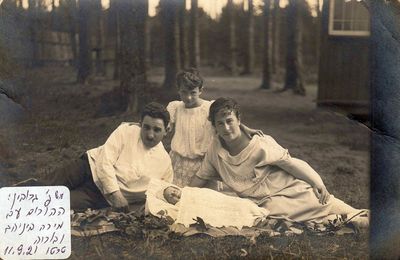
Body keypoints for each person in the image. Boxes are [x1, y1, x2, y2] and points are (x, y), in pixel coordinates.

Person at [189, 97, 368, 224]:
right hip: (261, 202)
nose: (226, 128)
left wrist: (316, 181)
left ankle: (357, 216)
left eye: (230, 121)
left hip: (286, 191)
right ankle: (349, 220)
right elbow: (201, 176)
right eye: (220, 123)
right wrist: (184, 195)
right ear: (214, 126)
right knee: (260, 213)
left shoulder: (260, 144)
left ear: (239, 120)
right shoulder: (215, 149)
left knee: (323, 204)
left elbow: (292, 163)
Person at [15, 102, 173, 212]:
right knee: (45, 185)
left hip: (98, 196)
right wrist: (115, 193)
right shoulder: (126, 131)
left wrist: (167, 194)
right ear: (140, 124)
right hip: (88, 167)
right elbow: (104, 162)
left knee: (55, 203)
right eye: (146, 127)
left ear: (167, 130)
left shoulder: (164, 163)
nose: (150, 135)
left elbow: (161, 192)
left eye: (157, 130)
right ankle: (7, 199)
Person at [167, 68, 260, 188]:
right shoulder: (175, 107)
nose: (188, 97)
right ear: (178, 90)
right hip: (178, 162)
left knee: (204, 200)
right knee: (179, 197)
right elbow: (162, 122)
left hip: (204, 163)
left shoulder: (209, 107)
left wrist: (244, 129)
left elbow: (228, 119)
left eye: (193, 93)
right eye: (184, 92)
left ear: (200, 90)